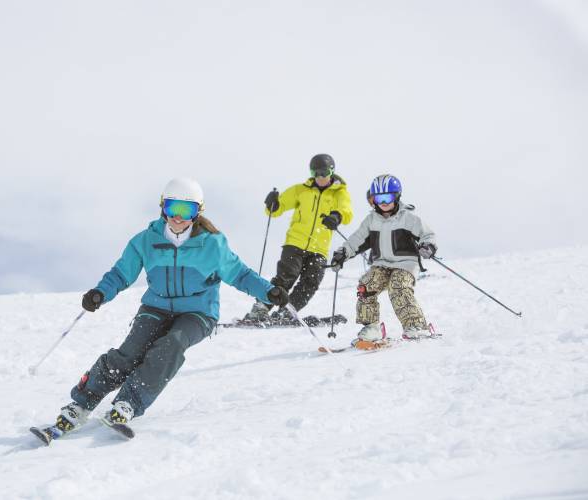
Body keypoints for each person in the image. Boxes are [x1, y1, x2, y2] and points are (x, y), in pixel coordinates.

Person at [38, 177, 289, 442]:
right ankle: (80, 404)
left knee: (171, 345)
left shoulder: (213, 244)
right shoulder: (145, 241)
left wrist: (268, 292)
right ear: (162, 208)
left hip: (199, 312)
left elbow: (240, 274)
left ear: (197, 212)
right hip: (156, 306)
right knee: (129, 352)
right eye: (173, 208)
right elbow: (122, 273)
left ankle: (129, 403)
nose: (178, 217)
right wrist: (100, 293)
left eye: (187, 210)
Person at [243, 153, 353, 324]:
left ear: (331, 172)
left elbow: (346, 212)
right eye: (315, 173)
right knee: (286, 277)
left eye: (324, 173)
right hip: (295, 243)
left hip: (319, 248)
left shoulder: (340, 193)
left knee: (311, 282)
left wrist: (336, 216)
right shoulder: (301, 190)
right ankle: (261, 309)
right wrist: (273, 203)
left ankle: (287, 312)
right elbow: (277, 209)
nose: (320, 177)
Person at [330, 174, 437, 349]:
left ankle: (416, 325)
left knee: (398, 286)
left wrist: (428, 246)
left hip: (405, 264)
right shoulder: (371, 220)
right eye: (379, 198)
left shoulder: (407, 217)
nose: (384, 202)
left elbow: (428, 234)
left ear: (397, 196)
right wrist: (342, 253)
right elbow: (356, 240)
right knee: (366, 285)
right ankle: (371, 327)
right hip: (381, 264)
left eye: (388, 197)